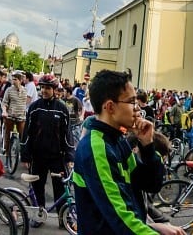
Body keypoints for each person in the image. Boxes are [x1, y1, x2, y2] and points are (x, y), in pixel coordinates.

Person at [72, 69, 182, 235]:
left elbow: (150, 184)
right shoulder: (97, 148)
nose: (137, 109)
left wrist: (147, 145)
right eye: (131, 102)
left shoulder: (117, 140)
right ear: (110, 107)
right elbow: (120, 218)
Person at [21, 74, 76, 225]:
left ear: (54, 89)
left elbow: (67, 135)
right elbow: (27, 133)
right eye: (42, 87)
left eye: (47, 88)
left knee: (60, 188)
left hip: (57, 157)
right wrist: (25, 155)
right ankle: (39, 216)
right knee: (38, 187)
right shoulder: (34, 108)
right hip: (38, 156)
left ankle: (63, 218)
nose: (44, 90)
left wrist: (70, 156)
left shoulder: (62, 109)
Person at [1, 71, 28, 156]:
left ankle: (22, 153)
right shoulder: (9, 90)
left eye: (15, 79)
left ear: (20, 80)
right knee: (8, 134)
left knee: (22, 135)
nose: (13, 81)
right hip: (10, 116)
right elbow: (4, 103)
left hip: (21, 117)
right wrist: (4, 111)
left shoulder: (25, 90)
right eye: (13, 79)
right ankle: (7, 151)